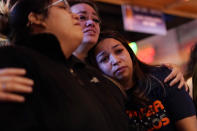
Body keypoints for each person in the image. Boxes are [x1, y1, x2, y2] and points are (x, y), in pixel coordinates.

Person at [0, 0, 186, 103]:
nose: (90, 23)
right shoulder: (25, 61)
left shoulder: (101, 75)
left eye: (96, 20)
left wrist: (162, 72)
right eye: (80, 17)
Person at [0, 0, 129, 130]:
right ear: (36, 18)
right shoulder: (15, 60)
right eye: (63, 8)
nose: (76, 16)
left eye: (95, 19)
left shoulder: (94, 76)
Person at [87, 30, 197, 131]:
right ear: (97, 68)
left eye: (119, 51)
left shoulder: (163, 78)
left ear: (130, 53)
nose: (115, 60)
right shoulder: (103, 102)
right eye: (104, 59)